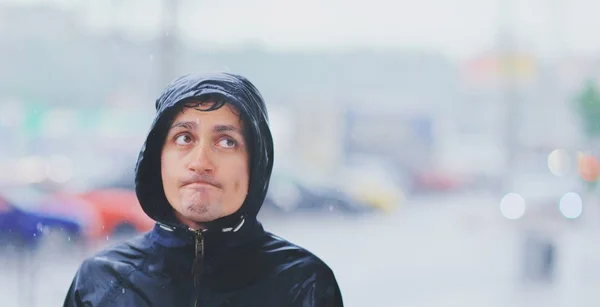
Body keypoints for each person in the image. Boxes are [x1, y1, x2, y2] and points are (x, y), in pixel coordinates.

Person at [63, 73, 343, 307]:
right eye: (184, 138)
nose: (200, 162)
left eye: (226, 142)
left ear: (255, 162)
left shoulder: (303, 284)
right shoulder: (100, 283)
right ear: (157, 158)